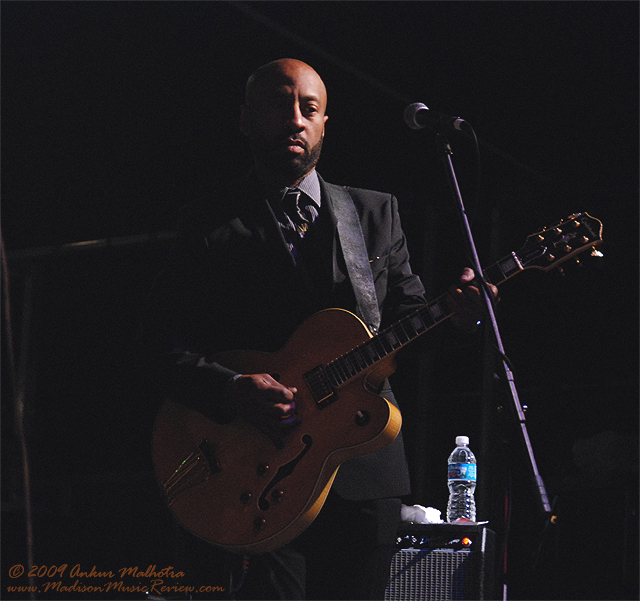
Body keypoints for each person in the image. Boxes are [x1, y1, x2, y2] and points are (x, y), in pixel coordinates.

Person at [144, 58, 495, 600]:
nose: (295, 119)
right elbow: (158, 347)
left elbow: (412, 332)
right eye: (278, 106)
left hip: (362, 471)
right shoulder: (209, 223)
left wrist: (462, 317)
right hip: (255, 474)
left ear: (325, 123)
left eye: (309, 108)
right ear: (245, 120)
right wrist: (233, 389)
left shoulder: (375, 213)